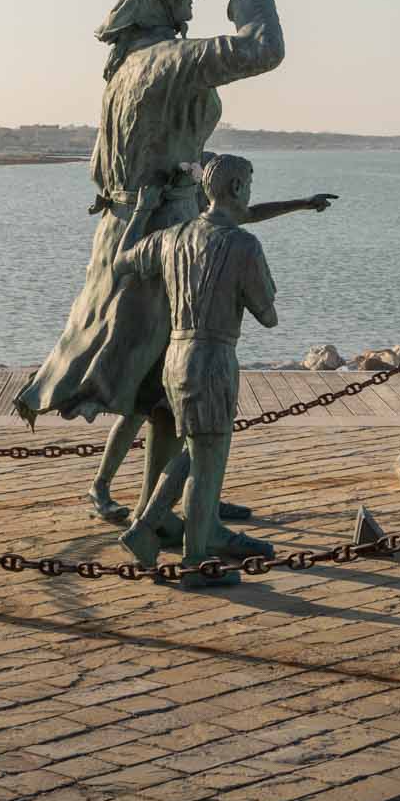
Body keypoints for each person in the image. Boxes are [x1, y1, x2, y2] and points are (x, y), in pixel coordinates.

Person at [12, 0, 335, 531]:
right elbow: (264, 49)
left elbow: (146, 156)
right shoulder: (165, 60)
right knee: (163, 389)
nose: (193, 0)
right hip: (161, 236)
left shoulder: (125, 68)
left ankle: (180, 503)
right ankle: (163, 514)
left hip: (129, 231)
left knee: (157, 385)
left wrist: (193, 174)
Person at [114, 154, 275, 588]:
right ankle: (194, 563)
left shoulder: (172, 236)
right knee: (208, 464)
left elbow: (123, 259)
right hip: (214, 357)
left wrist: (143, 212)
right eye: (251, 184)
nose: (251, 193)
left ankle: (147, 527)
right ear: (238, 187)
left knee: (194, 451)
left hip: (175, 356)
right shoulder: (243, 244)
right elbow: (267, 313)